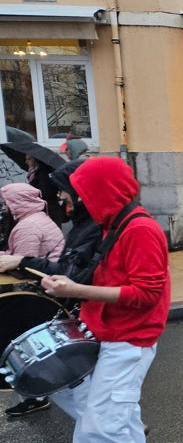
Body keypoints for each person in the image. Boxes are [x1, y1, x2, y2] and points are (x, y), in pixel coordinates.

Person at [39, 156, 169, 443]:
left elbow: (146, 294)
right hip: (113, 335)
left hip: (130, 340)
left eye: (80, 192)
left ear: (102, 192)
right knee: (120, 423)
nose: (72, 198)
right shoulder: (115, 224)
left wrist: (76, 291)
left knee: (102, 426)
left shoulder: (140, 229)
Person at [2, 161, 100, 421]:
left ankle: (121, 423)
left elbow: (27, 264)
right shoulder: (40, 220)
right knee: (87, 401)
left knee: (86, 398)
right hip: (65, 298)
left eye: (64, 189)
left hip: (54, 298)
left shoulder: (28, 226)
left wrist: (19, 262)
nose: (58, 195)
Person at [0, 182, 65, 264]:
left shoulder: (27, 228)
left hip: (43, 275)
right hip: (51, 270)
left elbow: (20, 264)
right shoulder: (38, 216)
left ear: (16, 204)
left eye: (6, 204)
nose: (3, 208)